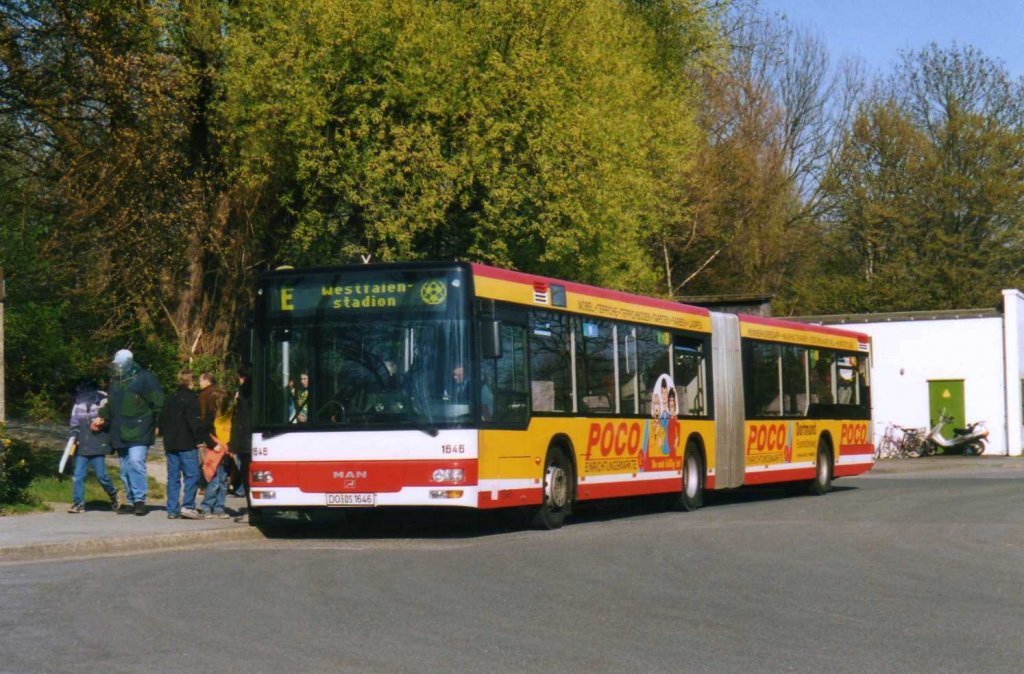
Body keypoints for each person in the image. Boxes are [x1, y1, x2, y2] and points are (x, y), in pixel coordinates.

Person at [94, 349, 164, 516]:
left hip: (140, 428)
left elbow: (158, 402)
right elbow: (110, 405)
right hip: (119, 430)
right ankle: (132, 500)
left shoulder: (145, 377)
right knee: (125, 467)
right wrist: (101, 418)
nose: (118, 366)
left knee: (135, 461)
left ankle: (140, 500)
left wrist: (159, 423)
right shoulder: (116, 381)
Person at [67, 380, 120, 513]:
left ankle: (113, 493)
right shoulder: (78, 405)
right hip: (82, 447)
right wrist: (75, 438)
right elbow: (74, 425)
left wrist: (102, 422)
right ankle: (78, 503)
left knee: (102, 476)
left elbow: (111, 420)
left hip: (98, 445)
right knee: (78, 475)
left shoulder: (103, 402)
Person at [157, 370, 204, 520]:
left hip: (171, 443)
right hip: (187, 442)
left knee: (173, 477)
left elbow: (162, 420)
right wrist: (199, 440)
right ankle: (188, 506)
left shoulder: (170, 398)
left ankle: (172, 509)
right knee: (192, 475)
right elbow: (194, 422)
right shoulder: (192, 399)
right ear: (191, 381)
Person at [199, 388, 232, 519]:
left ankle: (219, 507)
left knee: (223, 481)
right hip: (215, 450)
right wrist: (214, 445)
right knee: (214, 481)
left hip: (225, 450)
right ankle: (206, 506)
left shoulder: (228, 416)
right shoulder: (210, 417)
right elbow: (205, 432)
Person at [229, 364, 252, 502]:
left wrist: (233, 444)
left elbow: (238, 419)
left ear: (241, 378)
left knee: (245, 469)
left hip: (244, 439)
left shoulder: (242, 393)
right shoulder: (264, 388)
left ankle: (246, 494)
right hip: (253, 437)